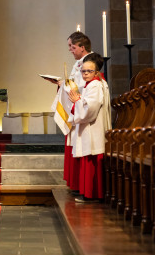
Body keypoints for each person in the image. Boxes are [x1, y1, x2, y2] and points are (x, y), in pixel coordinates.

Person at [49, 32, 92, 194]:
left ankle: (82, 186)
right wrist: (61, 84)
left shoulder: (89, 63)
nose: (70, 50)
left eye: (72, 47)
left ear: (82, 47)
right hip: (76, 110)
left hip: (82, 112)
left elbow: (80, 88)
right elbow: (74, 84)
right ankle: (76, 184)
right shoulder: (80, 63)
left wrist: (63, 84)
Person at [68, 53, 111, 203]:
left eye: (89, 71)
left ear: (96, 72)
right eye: (83, 71)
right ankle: (89, 193)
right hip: (90, 127)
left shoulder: (95, 85)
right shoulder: (92, 84)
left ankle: (91, 194)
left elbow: (91, 109)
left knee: (92, 159)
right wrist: (79, 101)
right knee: (89, 158)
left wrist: (77, 101)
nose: (85, 74)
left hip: (93, 128)